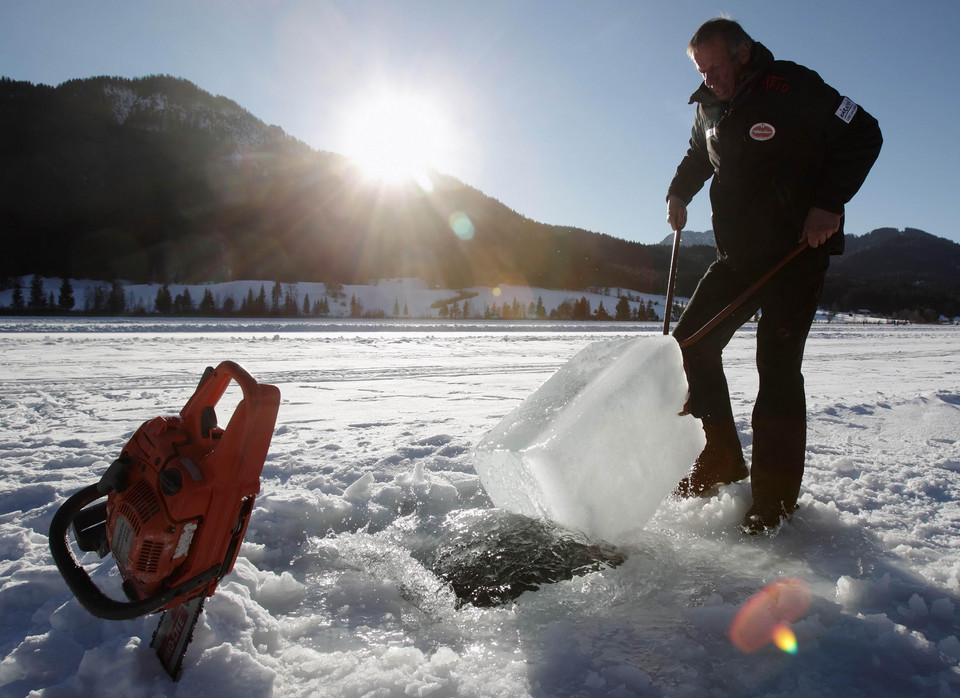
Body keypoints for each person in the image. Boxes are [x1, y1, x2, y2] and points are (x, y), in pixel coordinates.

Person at [665, 18, 882, 534]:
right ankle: (719, 458)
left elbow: (864, 132)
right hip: (737, 257)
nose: (710, 77)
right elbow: (700, 153)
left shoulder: (794, 86)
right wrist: (678, 192)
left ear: (742, 53)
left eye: (716, 66)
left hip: (794, 254)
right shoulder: (709, 105)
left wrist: (828, 204)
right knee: (688, 347)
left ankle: (775, 499)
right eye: (702, 69)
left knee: (776, 369)